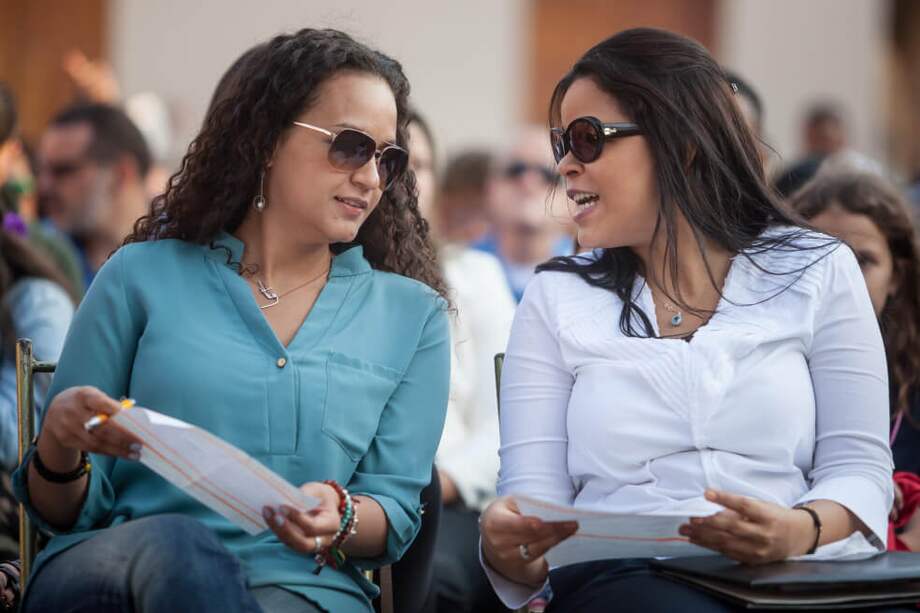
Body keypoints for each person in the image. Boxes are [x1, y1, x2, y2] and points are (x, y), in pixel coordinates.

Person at [14, 28, 450, 613]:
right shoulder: (139, 276)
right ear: (267, 140)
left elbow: (396, 512)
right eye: (349, 146)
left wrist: (340, 514)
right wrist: (59, 446)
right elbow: (56, 509)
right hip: (119, 570)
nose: (371, 177)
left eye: (387, 157)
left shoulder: (412, 316)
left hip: (300, 588)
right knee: (181, 548)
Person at [478, 28, 895, 612]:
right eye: (561, 144)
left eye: (586, 139)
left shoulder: (819, 269)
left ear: (684, 144)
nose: (565, 166)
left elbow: (859, 467)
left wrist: (799, 530)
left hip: (801, 578)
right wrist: (504, 547)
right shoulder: (555, 296)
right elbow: (531, 515)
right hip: (629, 581)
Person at [408, 110, 514, 613]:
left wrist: (440, 482)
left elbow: (505, 427)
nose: (402, 177)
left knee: (435, 579)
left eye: (419, 163)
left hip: (451, 499)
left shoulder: (476, 276)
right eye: (386, 159)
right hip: (339, 504)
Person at [792, 171, 920, 550]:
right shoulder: (766, 373)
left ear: (897, 275)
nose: (841, 274)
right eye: (819, 256)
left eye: (861, 260)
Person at [36, 103, 151, 287]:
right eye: (41, 170)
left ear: (121, 173)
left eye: (63, 170)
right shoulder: (35, 255)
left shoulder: (182, 258)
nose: (44, 186)